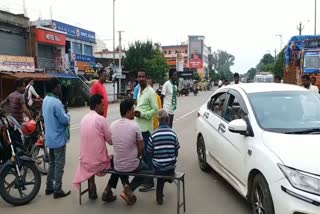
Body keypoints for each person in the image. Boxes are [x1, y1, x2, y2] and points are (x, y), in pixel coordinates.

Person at [73, 94, 118, 202]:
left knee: (90, 153)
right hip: (99, 163)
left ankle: (92, 185)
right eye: (103, 105)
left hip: (84, 162)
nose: (104, 107)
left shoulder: (83, 119)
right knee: (119, 164)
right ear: (97, 106)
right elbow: (111, 141)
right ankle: (108, 191)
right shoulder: (100, 119)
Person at [111, 99, 151, 205]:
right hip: (131, 164)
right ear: (128, 112)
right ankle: (129, 189)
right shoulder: (135, 126)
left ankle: (125, 185)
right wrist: (137, 156)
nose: (134, 111)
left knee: (122, 163)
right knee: (148, 171)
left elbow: (112, 142)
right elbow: (141, 148)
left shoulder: (113, 124)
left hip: (117, 164)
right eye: (133, 109)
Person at [43, 78, 71, 199]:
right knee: (59, 165)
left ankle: (49, 187)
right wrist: (68, 115)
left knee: (52, 164)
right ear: (55, 88)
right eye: (59, 86)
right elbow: (64, 120)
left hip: (50, 137)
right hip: (58, 138)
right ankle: (57, 189)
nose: (60, 89)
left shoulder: (46, 99)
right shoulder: (56, 102)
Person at [147, 109, 180, 205]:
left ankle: (159, 198)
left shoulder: (153, 134)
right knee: (166, 170)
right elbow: (176, 152)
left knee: (160, 175)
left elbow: (149, 152)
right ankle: (168, 178)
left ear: (158, 120)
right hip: (170, 168)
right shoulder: (173, 134)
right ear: (167, 119)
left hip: (158, 168)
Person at [134, 69, 159, 192]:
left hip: (146, 130)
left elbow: (156, 110)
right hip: (139, 129)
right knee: (142, 155)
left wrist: (142, 114)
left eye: (143, 77)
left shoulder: (150, 92)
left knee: (147, 155)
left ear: (146, 78)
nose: (141, 79)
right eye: (139, 77)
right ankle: (145, 179)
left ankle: (150, 182)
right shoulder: (139, 91)